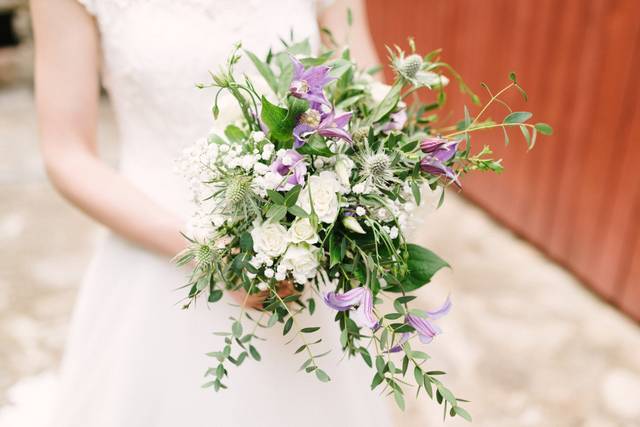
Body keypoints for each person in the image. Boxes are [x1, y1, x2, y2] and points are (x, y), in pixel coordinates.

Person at [30, 0, 391, 425]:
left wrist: (347, 195)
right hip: (152, 261)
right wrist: (208, 250)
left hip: (300, 268)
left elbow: (368, 104)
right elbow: (66, 153)